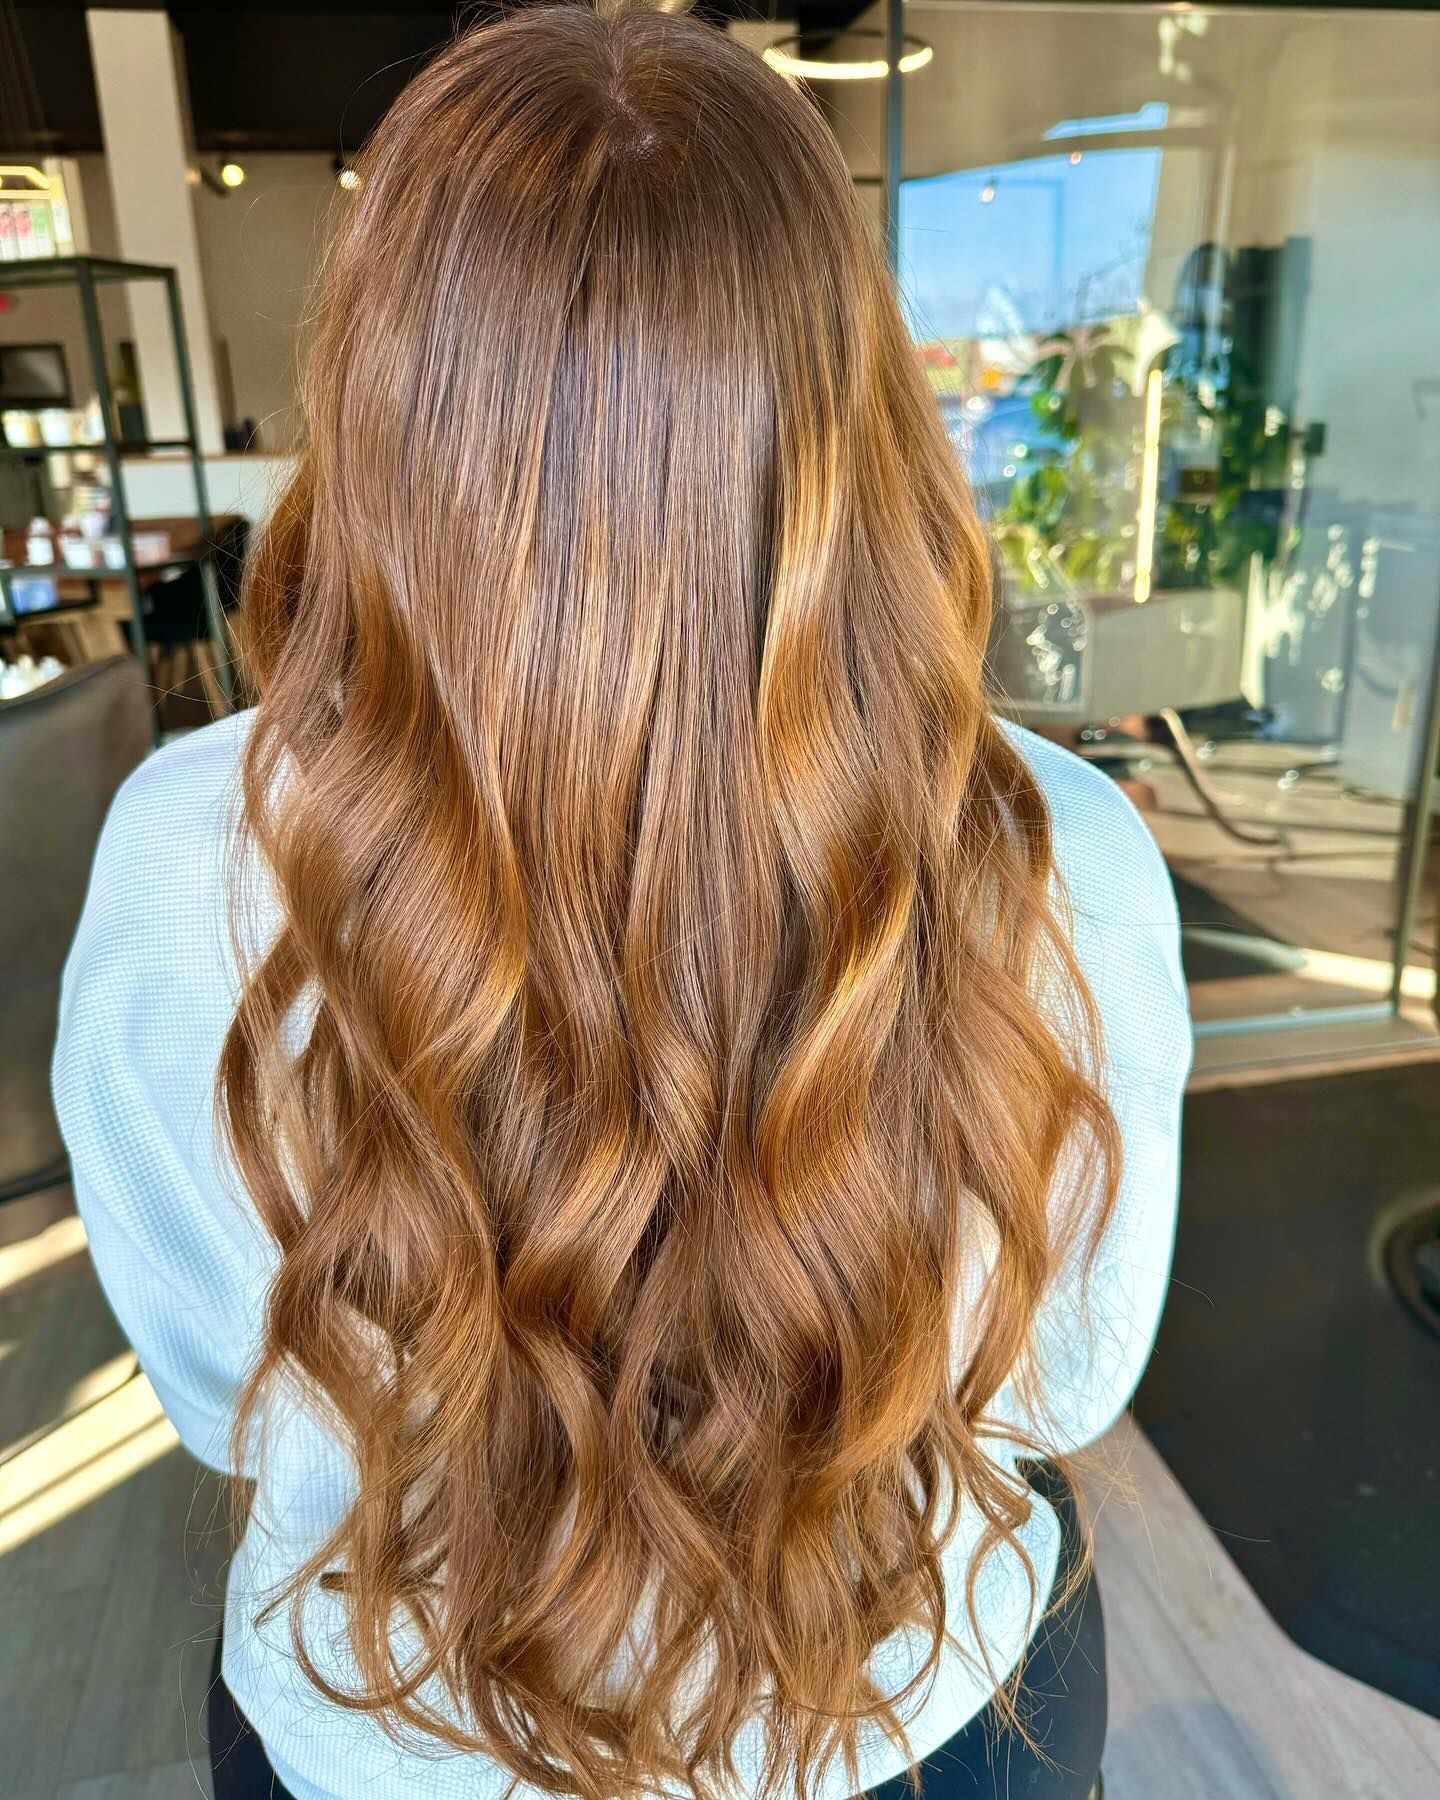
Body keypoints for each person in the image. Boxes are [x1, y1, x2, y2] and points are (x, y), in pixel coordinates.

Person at [53, 8, 1189, 1798]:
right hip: (894, 1715)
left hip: (394, 1738)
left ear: (385, 389)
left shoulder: (186, 853)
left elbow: (226, 1399)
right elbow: (1062, 1384)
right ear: (851, 393)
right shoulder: (1058, 852)